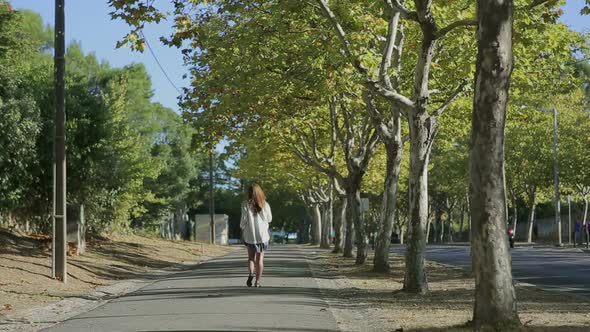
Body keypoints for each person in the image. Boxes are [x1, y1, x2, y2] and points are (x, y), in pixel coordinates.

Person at [240, 183, 272, 288]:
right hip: (262, 236)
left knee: (250, 258)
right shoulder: (265, 204)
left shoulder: (245, 204)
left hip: (250, 235)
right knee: (260, 259)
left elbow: (243, 221)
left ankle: (250, 274)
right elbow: (269, 219)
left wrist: (242, 227)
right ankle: (257, 282)